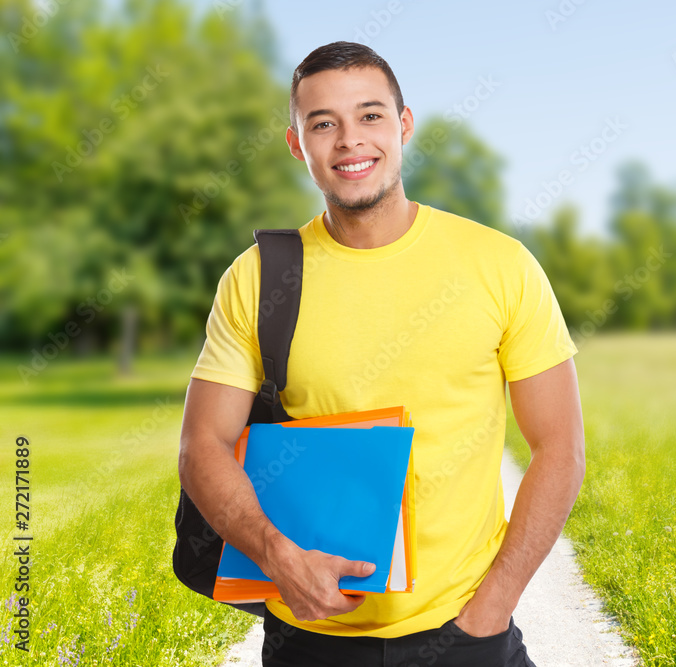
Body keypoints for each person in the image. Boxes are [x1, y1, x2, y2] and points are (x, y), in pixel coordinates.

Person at [177, 41, 585, 667]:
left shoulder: (501, 266)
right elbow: (202, 444)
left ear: (403, 125)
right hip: (306, 635)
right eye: (323, 123)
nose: (349, 140)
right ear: (297, 145)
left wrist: (493, 606)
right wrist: (277, 556)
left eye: (369, 115)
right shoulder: (259, 277)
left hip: (466, 630)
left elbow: (560, 448)